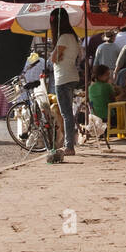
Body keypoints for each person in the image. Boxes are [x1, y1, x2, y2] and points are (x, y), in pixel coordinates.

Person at [50, 8, 82, 155]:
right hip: (72, 76)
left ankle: (69, 146)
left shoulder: (63, 38)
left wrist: (57, 56)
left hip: (63, 78)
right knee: (68, 114)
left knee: (66, 114)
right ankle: (69, 143)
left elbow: (54, 58)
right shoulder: (74, 37)